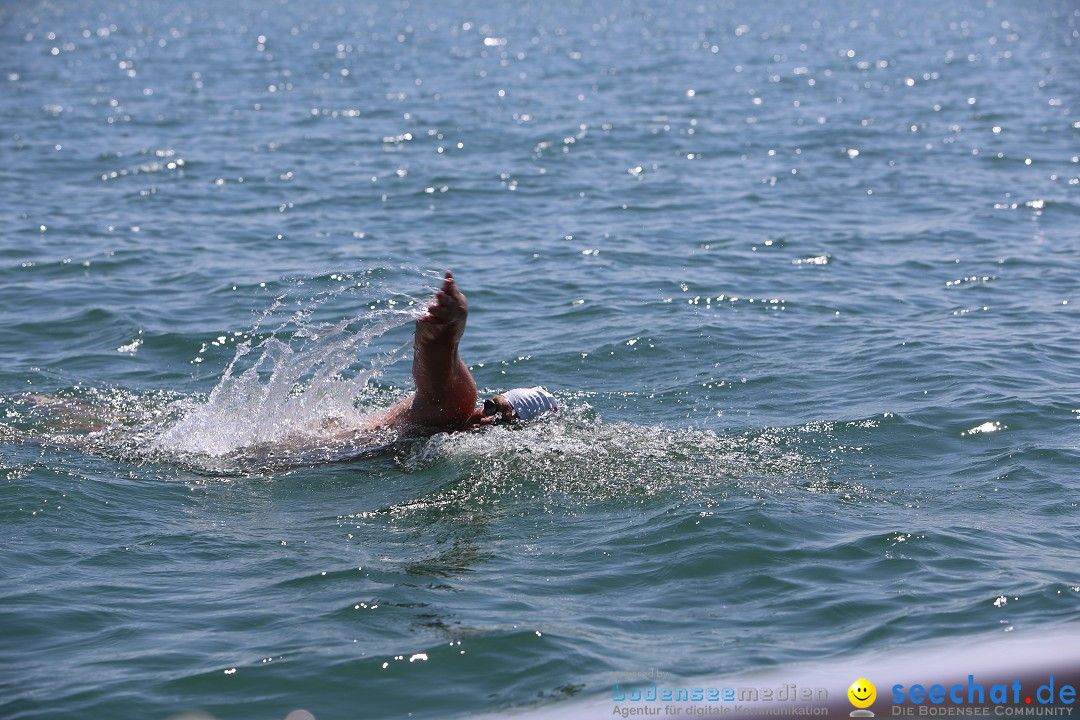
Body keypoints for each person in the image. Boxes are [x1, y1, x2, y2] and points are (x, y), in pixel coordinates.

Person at [381, 271, 559, 433]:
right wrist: (444, 331)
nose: (487, 419)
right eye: (491, 407)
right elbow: (440, 386)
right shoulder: (454, 410)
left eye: (501, 422)